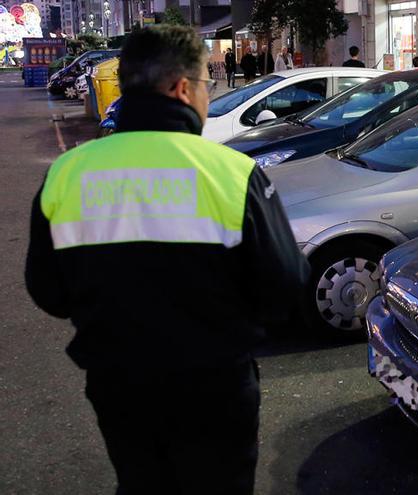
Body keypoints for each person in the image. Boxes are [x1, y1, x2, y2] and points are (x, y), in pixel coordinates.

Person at [25, 25, 309, 495]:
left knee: (140, 483)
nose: (206, 97)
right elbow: (284, 284)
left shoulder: (67, 173)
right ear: (182, 88)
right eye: (205, 86)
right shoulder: (232, 173)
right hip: (214, 384)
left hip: (116, 382)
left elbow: (47, 291)